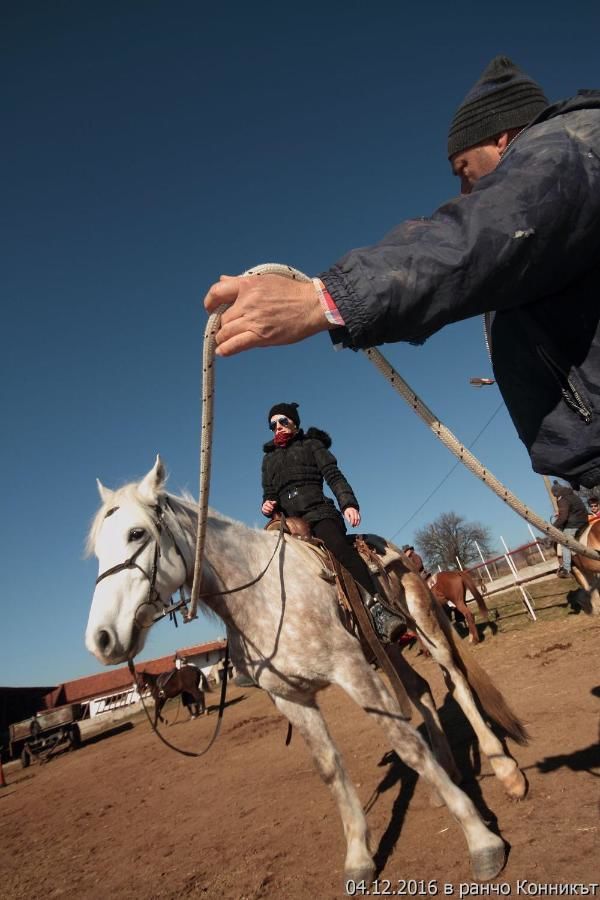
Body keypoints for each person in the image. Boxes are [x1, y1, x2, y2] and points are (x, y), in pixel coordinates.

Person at [204, 57, 600, 495]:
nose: (466, 192)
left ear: (501, 137)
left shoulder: (563, 148)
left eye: (464, 171)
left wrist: (320, 298)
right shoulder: (270, 459)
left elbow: (481, 230)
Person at [262, 401, 404, 642]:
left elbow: (333, 475)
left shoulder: (311, 445)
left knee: (337, 547)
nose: (277, 427)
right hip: (287, 523)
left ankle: (378, 608)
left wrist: (348, 503)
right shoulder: (268, 460)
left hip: (319, 513)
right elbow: (269, 492)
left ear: (294, 422)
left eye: (283, 421)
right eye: (272, 424)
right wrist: (267, 504)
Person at [551, 481, 589, 577]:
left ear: (556, 493)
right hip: (584, 520)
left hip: (574, 524)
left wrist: (553, 526)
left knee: (565, 542)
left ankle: (566, 569)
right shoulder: (573, 495)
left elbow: (563, 517)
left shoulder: (562, 499)